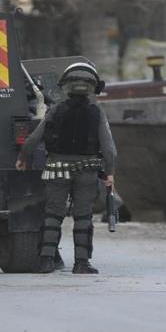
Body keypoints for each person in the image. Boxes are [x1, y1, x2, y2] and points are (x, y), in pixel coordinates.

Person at [16, 61, 116, 275]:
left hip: (56, 168)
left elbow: (33, 139)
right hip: (87, 171)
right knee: (83, 217)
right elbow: (109, 149)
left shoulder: (55, 111)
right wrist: (109, 173)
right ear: (93, 87)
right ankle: (81, 264)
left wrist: (23, 158)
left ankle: (46, 261)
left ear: (65, 85)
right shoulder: (97, 113)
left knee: (52, 215)